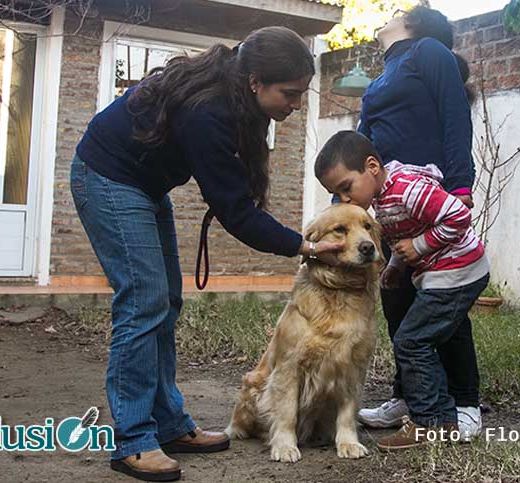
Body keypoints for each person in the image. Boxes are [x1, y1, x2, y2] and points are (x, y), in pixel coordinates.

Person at [70, 27, 343, 482]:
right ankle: (134, 440)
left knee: (165, 302)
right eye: (290, 94)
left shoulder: (240, 100)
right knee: (143, 303)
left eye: (300, 95)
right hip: (108, 178)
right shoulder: (209, 110)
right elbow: (236, 212)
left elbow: (239, 198)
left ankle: (170, 425)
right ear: (256, 80)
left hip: (143, 185)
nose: (295, 105)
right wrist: (307, 246)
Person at [354, 6, 484, 440]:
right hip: (393, 208)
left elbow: (455, 117)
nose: (389, 12)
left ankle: (465, 402)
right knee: (399, 302)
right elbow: (361, 142)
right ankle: (411, 396)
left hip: (429, 199)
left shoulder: (428, 52)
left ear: (415, 24)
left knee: (443, 302)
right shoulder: (379, 78)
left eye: (399, 10)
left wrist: (461, 188)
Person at [315, 130, 489, 448]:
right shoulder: (380, 198)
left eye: (346, 188)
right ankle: (442, 418)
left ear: (372, 167)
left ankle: (429, 423)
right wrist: (396, 265)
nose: (345, 200)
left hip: (459, 271)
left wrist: (421, 246)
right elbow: (404, 232)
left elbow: (458, 215)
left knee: (412, 340)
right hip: (439, 273)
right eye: (337, 194)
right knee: (415, 339)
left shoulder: (407, 188)